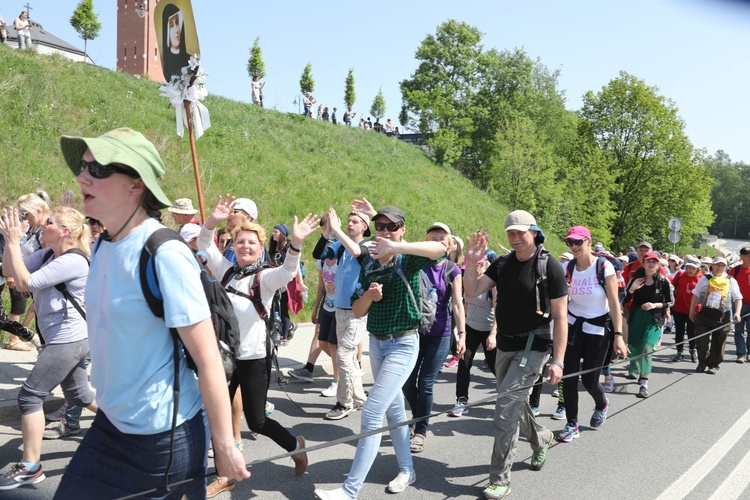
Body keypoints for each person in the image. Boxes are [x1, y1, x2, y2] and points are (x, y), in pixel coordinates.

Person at [54, 128, 249, 498]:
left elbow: (207, 358)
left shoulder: (164, 252)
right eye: (83, 167)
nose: (81, 177)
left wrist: (224, 443)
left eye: (97, 170)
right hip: (110, 426)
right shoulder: (103, 245)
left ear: (135, 185)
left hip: (161, 440)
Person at [313, 205, 446, 500]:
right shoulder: (370, 265)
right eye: (380, 227)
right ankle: (407, 470)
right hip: (377, 342)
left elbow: (439, 248)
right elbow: (358, 309)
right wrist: (370, 297)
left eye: (391, 227)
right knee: (394, 409)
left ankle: (350, 490)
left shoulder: (406, 260)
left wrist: (395, 245)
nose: (384, 232)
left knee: (372, 412)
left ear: (401, 230)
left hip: (404, 343)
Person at [197, 196, 317, 495]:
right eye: (240, 242)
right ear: (233, 246)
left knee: (258, 421)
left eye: (252, 242)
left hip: (253, 358)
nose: (245, 246)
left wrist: (297, 243)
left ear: (261, 247)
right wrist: (212, 219)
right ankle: (226, 474)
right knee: (218, 416)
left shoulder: (263, 278)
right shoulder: (225, 270)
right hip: (224, 359)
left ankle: (295, 445)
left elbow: (288, 272)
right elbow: (203, 241)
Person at [462, 210, 568, 500]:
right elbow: (472, 291)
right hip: (505, 346)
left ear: (534, 231)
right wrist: (471, 262)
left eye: (520, 232)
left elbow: (560, 317)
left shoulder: (551, 268)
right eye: (510, 232)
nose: (515, 237)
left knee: (505, 410)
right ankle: (541, 437)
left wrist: (557, 360)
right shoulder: (503, 264)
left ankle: (499, 479)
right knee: (513, 402)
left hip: (533, 346)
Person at [0, 206, 98, 491]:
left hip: (69, 339)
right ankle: (127, 429)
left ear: (65, 232)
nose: (44, 225)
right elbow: (8, 269)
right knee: (79, 394)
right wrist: (10, 241)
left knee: (30, 397)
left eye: (50, 223)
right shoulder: (46, 254)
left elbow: (23, 283)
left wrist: (15, 243)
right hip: (65, 338)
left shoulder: (73, 261)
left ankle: (30, 467)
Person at [556, 226, 628, 444]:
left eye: (578, 242)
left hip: (598, 328)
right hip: (573, 326)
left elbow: (615, 303)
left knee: (589, 380)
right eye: (570, 243)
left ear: (589, 242)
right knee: (567, 376)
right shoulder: (566, 267)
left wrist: (618, 335)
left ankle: (602, 403)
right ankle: (572, 424)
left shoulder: (603, 266)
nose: (574, 246)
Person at [403, 223, 465, 453]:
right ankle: (419, 417)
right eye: (433, 237)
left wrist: (462, 335)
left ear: (449, 244)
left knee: (426, 383)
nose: (438, 241)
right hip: (413, 331)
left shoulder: (451, 269)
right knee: (408, 383)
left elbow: (458, 305)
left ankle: (420, 430)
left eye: (442, 238)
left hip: (440, 333)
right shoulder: (416, 263)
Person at [308, 208, 371, 420]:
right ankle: (360, 398)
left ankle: (345, 403)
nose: (350, 224)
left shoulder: (367, 246)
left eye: (355, 221)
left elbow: (356, 252)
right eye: (348, 221)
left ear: (365, 227)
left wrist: (337, 230)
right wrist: (327, 233)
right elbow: (318, 254)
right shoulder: (339, 246)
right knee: (349, 358)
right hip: (338, 309)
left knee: (344, 355)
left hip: (357, 310)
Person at [450, 251, 497, 418]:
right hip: (471, 328)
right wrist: (461, 332)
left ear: (483, 265)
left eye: (475, 266)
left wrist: (493, 334)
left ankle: (506, 391)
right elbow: (465, 305)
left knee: (494, 365)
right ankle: (462, 400)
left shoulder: (491, 284)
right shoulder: (466, 281)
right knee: (464, 363)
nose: (469, 270)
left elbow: (498, 310)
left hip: (488, 330)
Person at [621, 251, 674, 397]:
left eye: (654, 262)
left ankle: (644, 383)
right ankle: (635, 369)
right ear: (643, 264)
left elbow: (671, 301)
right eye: (648, 261)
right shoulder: (636, 279)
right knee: (634, 344)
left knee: (647, 346)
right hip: (637, 315)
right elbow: (624, 299)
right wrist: (632, 289)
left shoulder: (663, 281)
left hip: (654, 318)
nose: (651, 264)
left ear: (658, 265)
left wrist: (656, 305)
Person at [5, 193, 50, 351]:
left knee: (45, 327)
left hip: (45, 289)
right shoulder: (32, 229)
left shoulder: (45, 231)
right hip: (34, 287)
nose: (24, 218)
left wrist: (30, 283)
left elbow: (48, 263)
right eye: (21, 214)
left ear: (38, 211)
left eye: (26, 213)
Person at [690, 256, 743, 374]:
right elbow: (696, 295)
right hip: (704, 314)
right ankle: (702, 361)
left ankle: (714, 364)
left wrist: (737, 313)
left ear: (725, 267)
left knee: (719, 341)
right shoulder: (704, 279)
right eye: (717, 265)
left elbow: (738, 298)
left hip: (722, 316)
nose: (719, 267)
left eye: (722, 265)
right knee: (701, 339)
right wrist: (691, 310)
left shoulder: (731, 280)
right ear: (712, 265)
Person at [670, 257, 702, 363]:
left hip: (693, 309)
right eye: (688, 267)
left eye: (692, 268)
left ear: (697, 269)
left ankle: (693, 350)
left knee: (692, 332)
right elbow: (672, 286)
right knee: (679, 331)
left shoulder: (701, 279)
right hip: (679, 307)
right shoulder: (680, 274)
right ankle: (679, 352)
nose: (690, 270)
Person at [161, 4, 191, 81]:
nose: (176, 30)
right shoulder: (164, 63)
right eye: (171, 24)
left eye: (177, 23)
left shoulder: (190, 60)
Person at [731, 247, 750, 363]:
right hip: (738, 304)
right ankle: (741, 354)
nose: (749, 257)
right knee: (738, 330)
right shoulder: (735, 270)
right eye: (747, 255)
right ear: (741, 257)